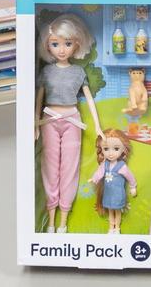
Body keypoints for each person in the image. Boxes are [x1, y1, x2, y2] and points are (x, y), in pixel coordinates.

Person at [35, 13, 101, 234]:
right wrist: (36, 122)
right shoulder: (46, 71)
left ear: (76, 44)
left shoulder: (78, 71)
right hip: (49, 119)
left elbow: (89, 98)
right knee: (50, 167)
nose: (61, 49)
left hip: (72, 120)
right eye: (55, 44)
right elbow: (39, 98)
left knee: (69, 169)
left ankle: (63, 222)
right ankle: (51, 222)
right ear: (47, 45)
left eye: (67, 43)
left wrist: (98, 126)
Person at [90, 128, 137, 234]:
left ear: (123, 149)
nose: (110, 153)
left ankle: (117, 228)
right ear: (101, 149)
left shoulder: (122, 166)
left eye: (116, 149)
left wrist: (133, 187)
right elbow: (99, 173)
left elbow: (130, 177)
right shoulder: (105, 164)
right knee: (110, 211)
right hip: (108, 194)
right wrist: (94, 179)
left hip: (118, 195)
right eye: (106, 149)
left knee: (118, 211)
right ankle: (111, 228)